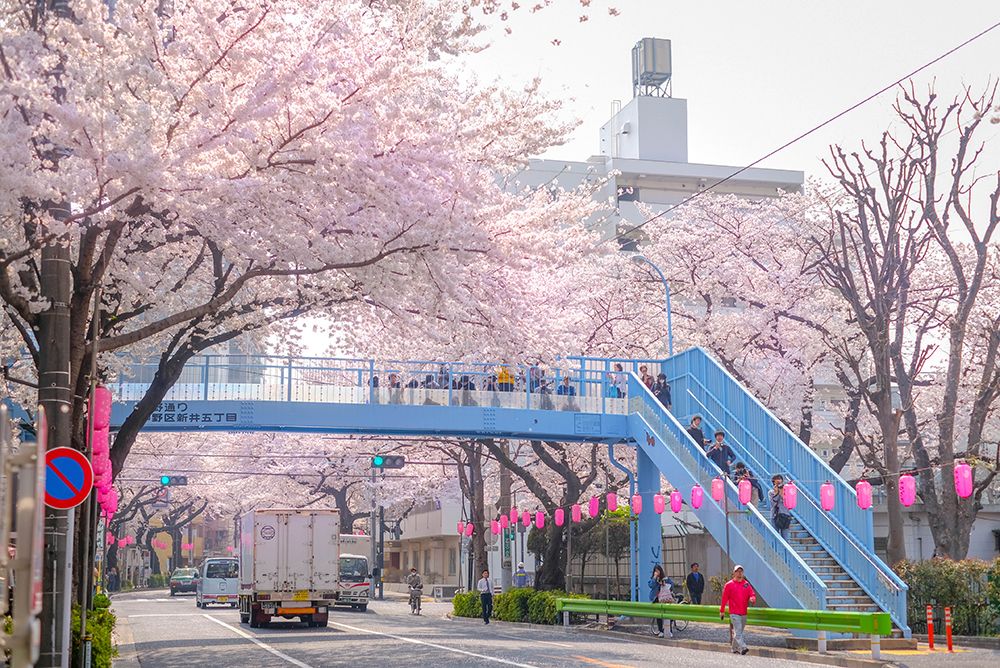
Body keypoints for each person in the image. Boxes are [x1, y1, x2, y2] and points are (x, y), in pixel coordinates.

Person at [720, 565, 756, 655]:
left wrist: (752, 598)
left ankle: (734, 648)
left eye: (741, 571)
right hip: (734, 612)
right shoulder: (729, 585)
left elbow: (752, 594)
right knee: (738, 631)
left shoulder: (746, 584)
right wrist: (722, 611)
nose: (739, 573)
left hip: (743, 612)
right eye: (737, 571)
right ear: (734, 573)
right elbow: (724, 599)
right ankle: (743, 647)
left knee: (739, 632)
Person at [647, 564, 673, 638]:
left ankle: (669, 630)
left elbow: (672, 585)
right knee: (658, 616)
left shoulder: (666, 578)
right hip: (656, 599)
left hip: (665, 599)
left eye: (658, 570)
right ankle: (661, 630)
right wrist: (655, 577)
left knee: (668, 615)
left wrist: (665, 584)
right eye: (655, 571)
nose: (657, 572)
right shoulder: (653, 579)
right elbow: (651, 585)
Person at [769, 474, 793, 540]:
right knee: (775, 537)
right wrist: (777, 492)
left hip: (785, 515)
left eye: (780, 481)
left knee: (785, 537)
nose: (779, 483)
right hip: (774, 516)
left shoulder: (786, 492)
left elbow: (787, 502)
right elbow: (773, 503)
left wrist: (782, 492)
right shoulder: (771, 492)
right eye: (777, 482)